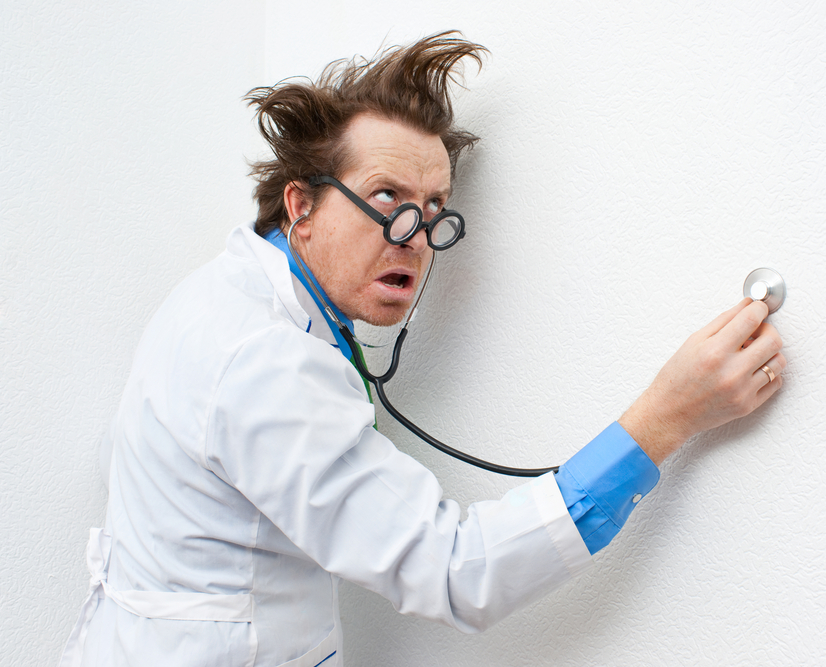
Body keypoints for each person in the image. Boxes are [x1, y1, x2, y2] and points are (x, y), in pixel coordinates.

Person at [60, 32, 785, 667]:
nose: (414, 232)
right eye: (387, 198)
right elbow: (458, 570)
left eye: (434, 210)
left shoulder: (215, 295)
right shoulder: (264, 357)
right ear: (300, 204)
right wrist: (667, 416)